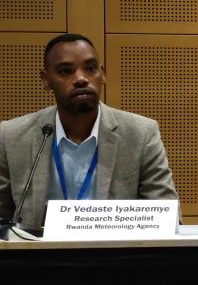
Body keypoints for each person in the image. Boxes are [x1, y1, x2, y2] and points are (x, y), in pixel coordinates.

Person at [0, 33, 179, 229]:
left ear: (102, 74)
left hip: (117, 255)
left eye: (90, 68)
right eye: (66, 71)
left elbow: (168, 218)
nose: (81, 79)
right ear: (46, 80)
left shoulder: (141, 133)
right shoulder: (11, 136)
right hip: (40, 256)